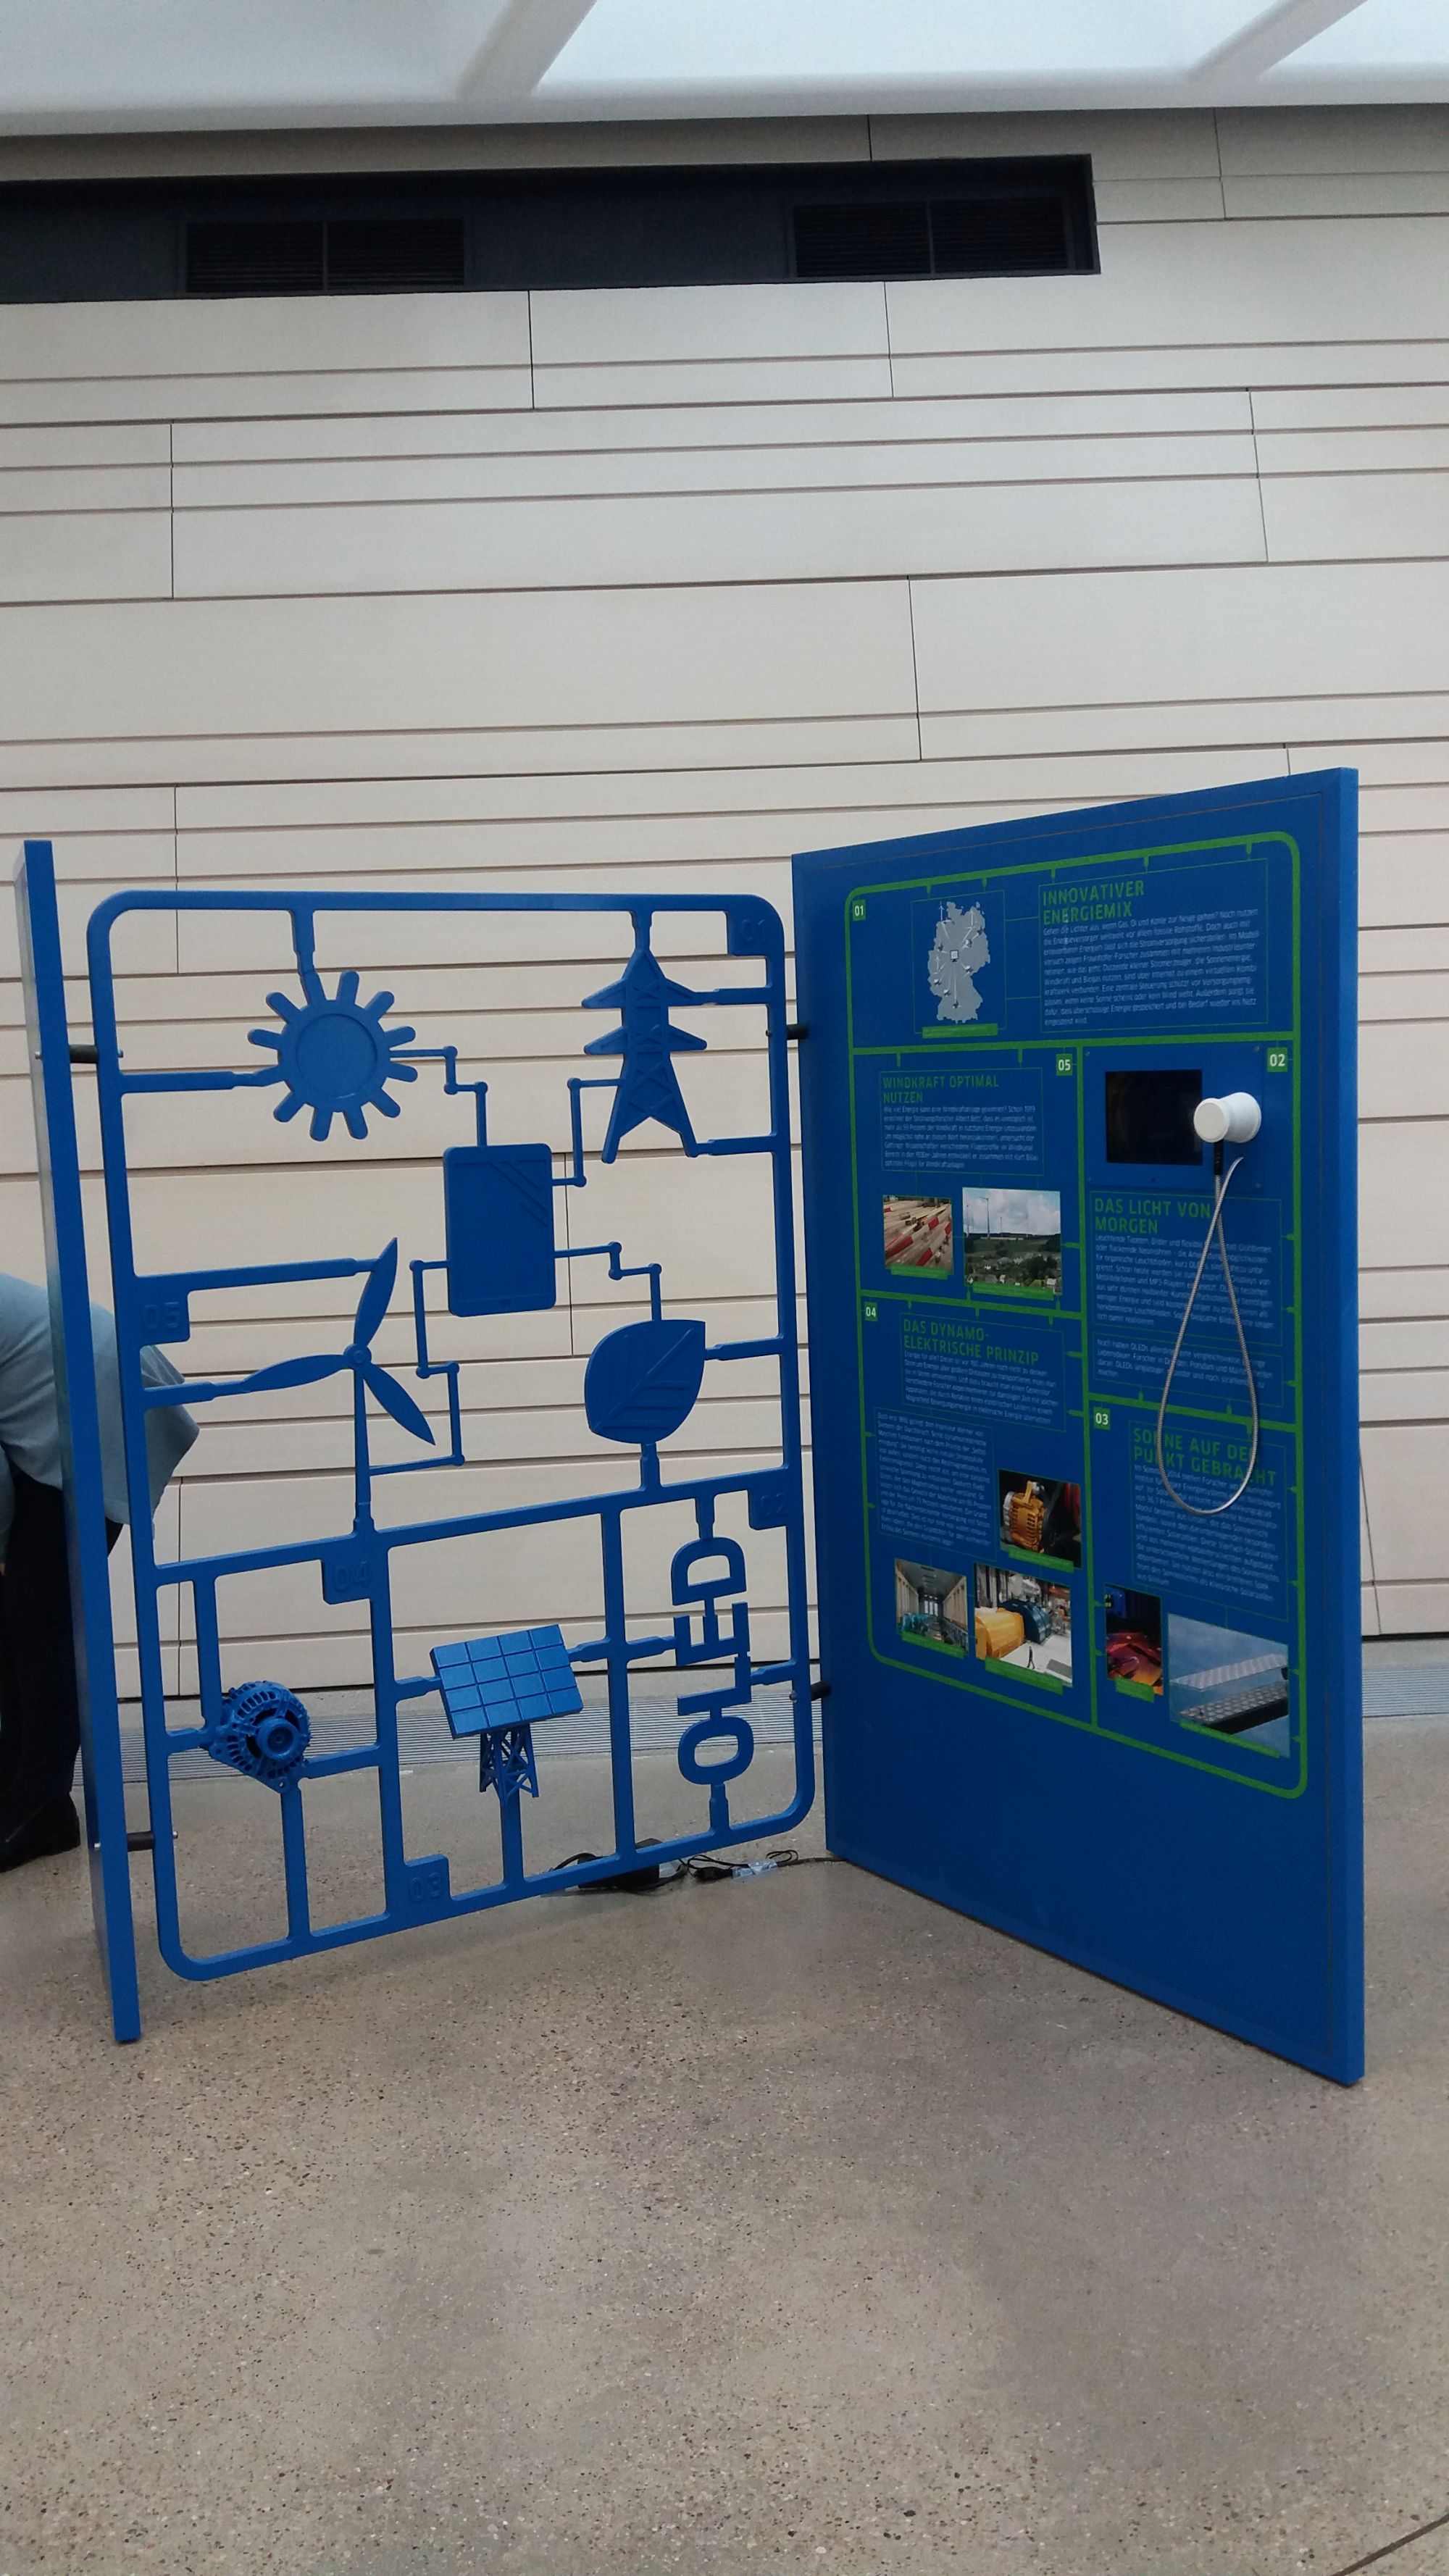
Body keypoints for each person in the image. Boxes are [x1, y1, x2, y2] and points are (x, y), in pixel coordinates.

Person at [0, 1274, 196, 1873]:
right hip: (66, 1391)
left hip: (99, 1398)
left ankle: (43, 1805)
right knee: (24, 1612)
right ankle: (17, 1781)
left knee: (42, 1616)